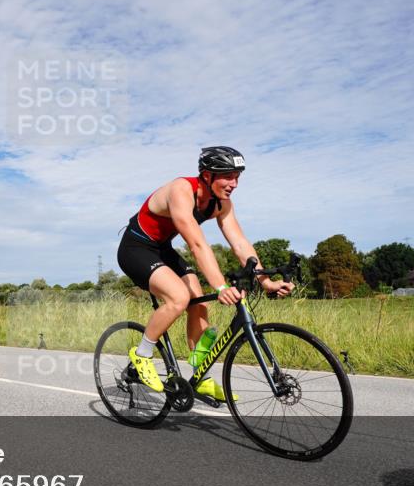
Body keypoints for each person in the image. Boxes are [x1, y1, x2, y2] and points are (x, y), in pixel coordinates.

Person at [116, 146, 295, 399]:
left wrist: (266, 281)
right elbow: (197, 244)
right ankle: (142, 354)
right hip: (135, 248)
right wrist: (221, 287)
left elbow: (240, 244)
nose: (234, 183)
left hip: (162, 248)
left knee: (198, 301)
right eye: (228, 176)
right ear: (207, 175)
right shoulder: (181, 190)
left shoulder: (222, 204)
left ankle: (199, 376)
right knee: (179, 297)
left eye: (237, 177)